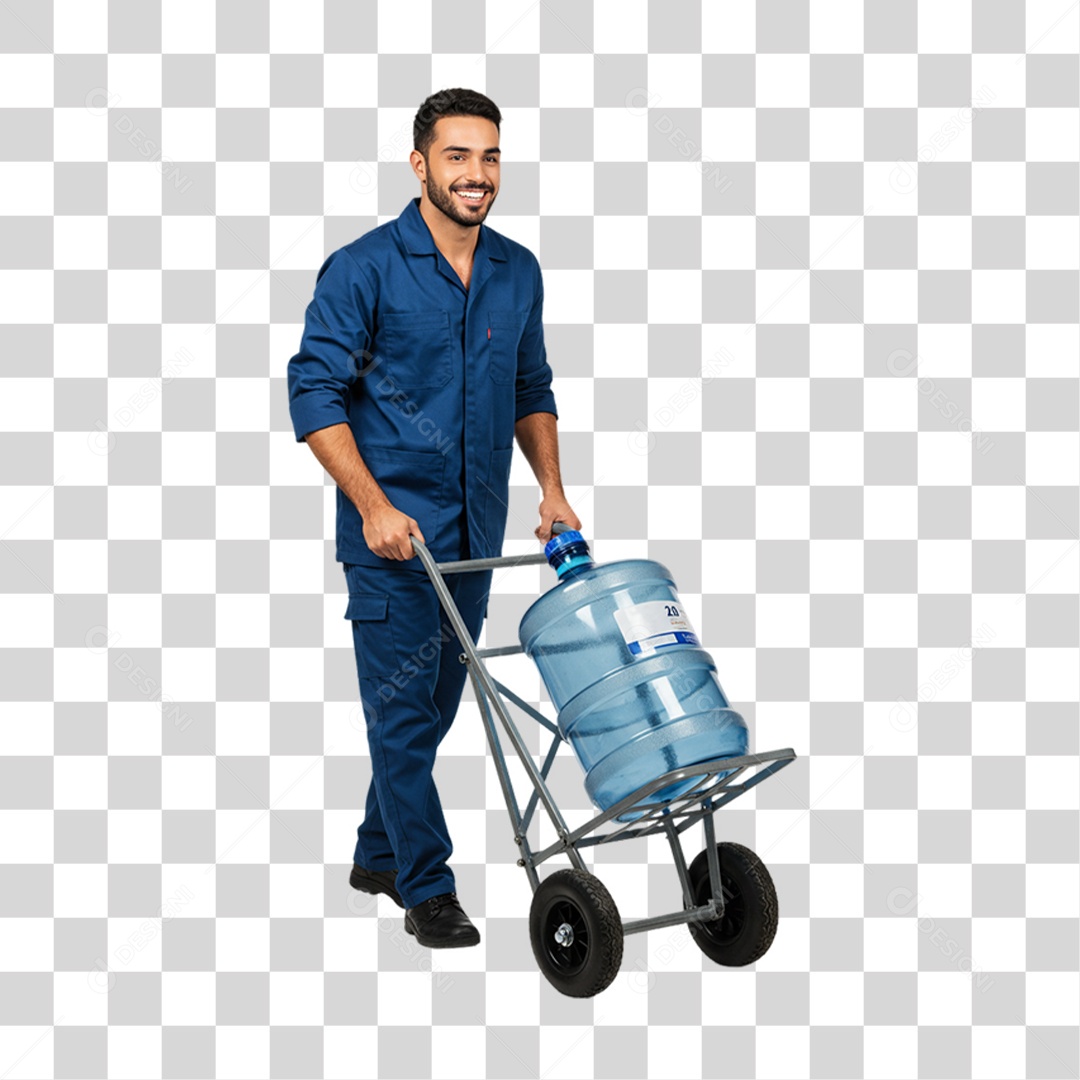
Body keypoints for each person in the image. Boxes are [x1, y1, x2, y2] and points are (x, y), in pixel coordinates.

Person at [286, 88, 582, 948]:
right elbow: (313, 393)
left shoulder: (515, 270)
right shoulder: (364, 268)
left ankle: (380, 851)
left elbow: (532, 388)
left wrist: (552, 489)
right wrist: (372, 505)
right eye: (456, 156)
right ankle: (427, 888)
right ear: (419, 164)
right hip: (391, 541)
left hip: (474, 538)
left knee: (437, 705)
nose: (476, 174)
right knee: (404, 718)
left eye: (489, 157)